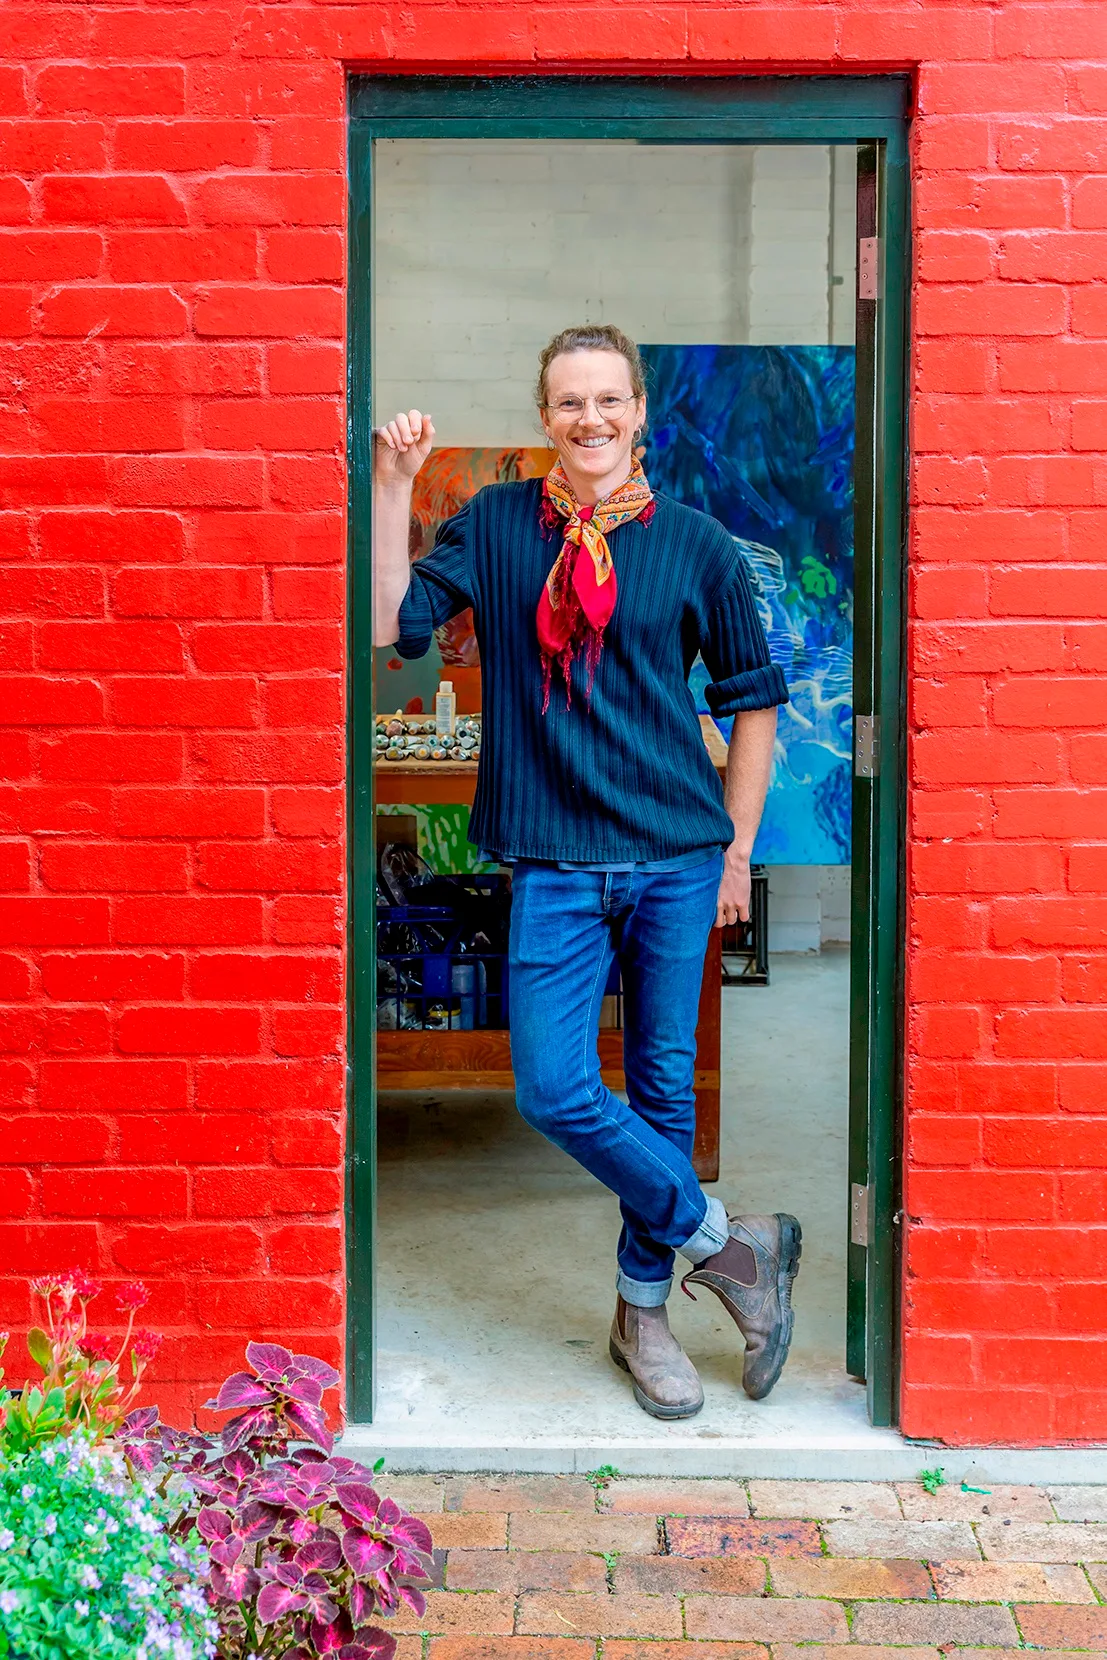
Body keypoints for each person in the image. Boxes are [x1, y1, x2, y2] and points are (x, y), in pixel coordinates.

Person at [373, 323, 800, 1419]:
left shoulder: (699, 545)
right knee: (555, 1086)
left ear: (641, 410)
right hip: (556, 861)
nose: (591, 420)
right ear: (545, 417)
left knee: (660, 1094)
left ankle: (641, 1319)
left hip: (675, 857)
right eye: (570, 402)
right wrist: (394, 485)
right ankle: (733, 1245)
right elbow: (392, 626)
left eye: (609, 400)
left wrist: (737, 852)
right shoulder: (500, 527)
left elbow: (754, 706)